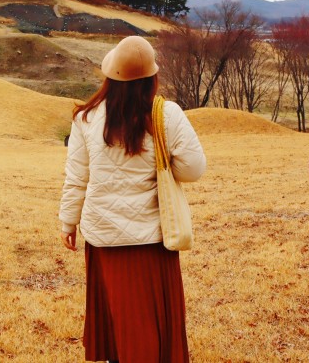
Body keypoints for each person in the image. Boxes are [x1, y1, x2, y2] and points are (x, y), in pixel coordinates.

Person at [59, 35, 206, 362]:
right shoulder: (166, 114)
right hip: (151, 240)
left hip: (103, 238)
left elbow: (76, 177)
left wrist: (68, 221)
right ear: (152, 78)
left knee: (118, 324)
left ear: (109, 76)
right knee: (150, 327)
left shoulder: (85, 117)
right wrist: (162, 160)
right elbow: (194, 168)